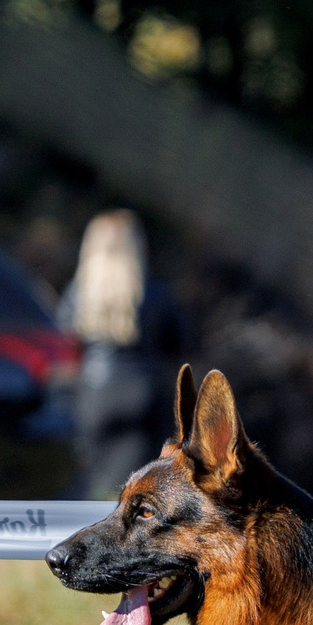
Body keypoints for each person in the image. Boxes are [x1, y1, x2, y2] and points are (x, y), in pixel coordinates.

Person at [62, 209, 185, 498]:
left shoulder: (75, 295)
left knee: (92, 486)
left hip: (92, 396)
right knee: (141, 489)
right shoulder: (155, 292)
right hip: (143, 395)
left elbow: (65, 350)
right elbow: (180, 344)